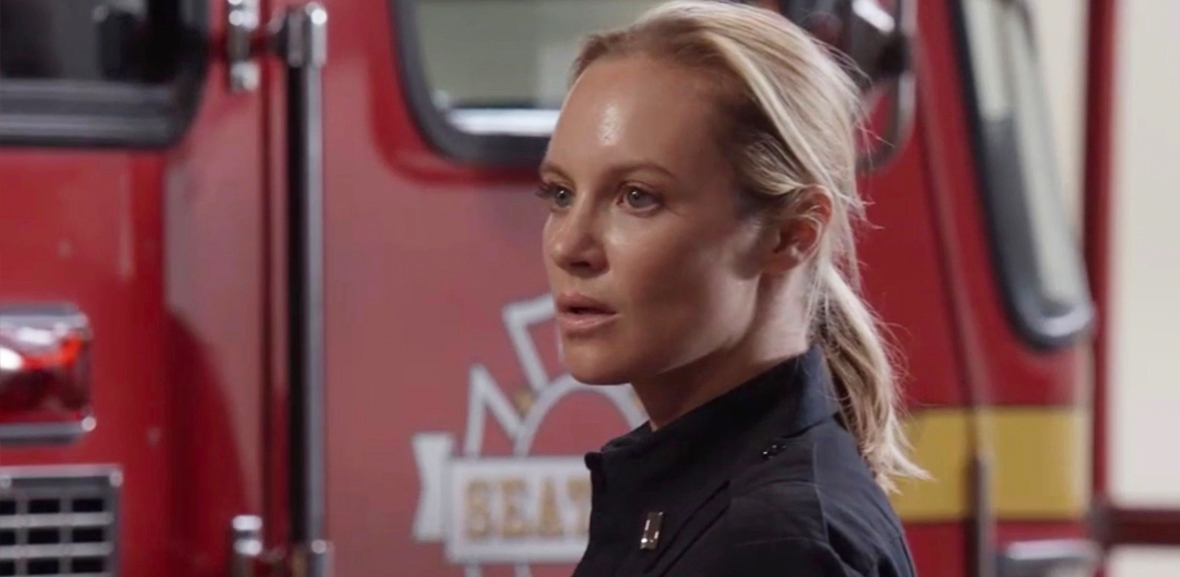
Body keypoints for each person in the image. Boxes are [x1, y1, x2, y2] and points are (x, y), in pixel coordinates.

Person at [536, 2, 923, 576]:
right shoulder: (692, 498)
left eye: (637, 197)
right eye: (561, 194)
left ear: (792, 234)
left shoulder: (774, 548)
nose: (570, 246)